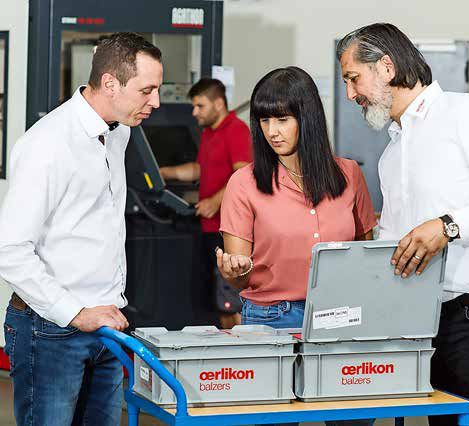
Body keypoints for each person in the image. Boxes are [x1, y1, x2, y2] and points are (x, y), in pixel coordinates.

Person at [336, 23, 469, 426]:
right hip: (431, 329)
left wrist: (449, 226)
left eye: (353, 78)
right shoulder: (391, 156)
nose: (349, 94)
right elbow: (393, 247)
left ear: (386, 67)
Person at [0, 32, 163, 425]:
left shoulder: (118, 132)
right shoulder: (47, 144)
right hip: (51, 331)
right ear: (110, 83)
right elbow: (8, 249)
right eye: (147, 90)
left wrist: (101, 309)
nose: (156, 102)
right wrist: (75, 313)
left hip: (106, 324)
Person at [216, 66, 377, 426]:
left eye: (282, 119)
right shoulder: (244, 184)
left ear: (308, 117)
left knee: (352, 420)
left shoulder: (349, 175)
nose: (272, 131)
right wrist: (234, 272)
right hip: (271, 320)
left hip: (342, 319)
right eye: (264, 120)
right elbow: (240, 278)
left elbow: (367, 257)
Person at [160, 78, 252, 329]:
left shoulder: (236, 130)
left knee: (229, 301)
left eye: (200, 106)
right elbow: (198, 169)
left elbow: (243, 173)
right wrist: (162, 172)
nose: (194, 112)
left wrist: (215, 201)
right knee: (216, 301)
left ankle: (240, 351)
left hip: (228, 231)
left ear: (219, 104)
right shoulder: (209, 133)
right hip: (208, 229)